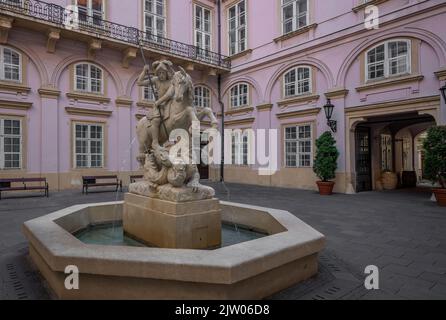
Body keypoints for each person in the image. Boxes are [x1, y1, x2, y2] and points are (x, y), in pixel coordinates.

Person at [137, 60, 175, 150]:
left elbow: (169, 94)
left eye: (163, 73)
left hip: (170, 103)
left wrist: (170, 66)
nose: (161, 75)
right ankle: (155, 142)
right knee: (157, 118)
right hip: (160, 106)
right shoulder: (156, 80)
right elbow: (139, 82)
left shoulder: (171, 81)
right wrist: (144, 71)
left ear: (167, 73)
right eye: (159, 73)